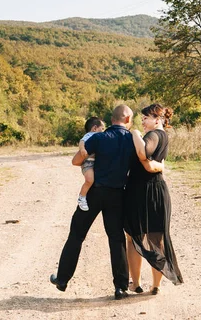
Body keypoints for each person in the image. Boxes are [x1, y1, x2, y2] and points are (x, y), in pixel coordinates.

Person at [50, 105, 136, 300]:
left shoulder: (99, 138)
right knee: (116, 239)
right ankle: (121, 287)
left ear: (111, 119)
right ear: (128, 120)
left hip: (95, 192)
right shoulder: (132, 139)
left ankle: (62, 279)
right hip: (117, 195)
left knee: (77, 234)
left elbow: (76, 161)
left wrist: (86, 154)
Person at [124, 104, 183, 295]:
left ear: (157, 120)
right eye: (141, 118)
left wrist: (134, 133)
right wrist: (157, 166)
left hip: (142, 191)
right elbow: (152, 163)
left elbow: (144, 153)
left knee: (134, 237)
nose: (142, 121)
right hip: (155, 190)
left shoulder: (152, 135)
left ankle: (136, 283)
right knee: (156, 238)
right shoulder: (163, 136)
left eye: (145, 118)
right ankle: (155, 285)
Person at [77, 117, 106, 211]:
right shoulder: (90, 135)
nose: (103, 131)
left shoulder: (100, 138)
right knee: (90, 180)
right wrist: (82, 149)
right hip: (88, 162)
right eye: (102, 129)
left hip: (95, 162)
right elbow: (82, 142)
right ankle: (82, 197)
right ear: (94, 128)